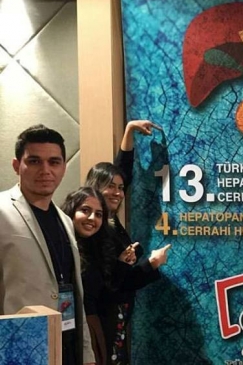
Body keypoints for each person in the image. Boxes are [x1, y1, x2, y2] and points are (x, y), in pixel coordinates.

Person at [0, 124, 95, 365]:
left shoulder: (65, 221)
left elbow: (75, 291)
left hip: (67, 344)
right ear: (16, 165)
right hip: (19, 351)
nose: (45, 170)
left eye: (54, 162)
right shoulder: (2, 211)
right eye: (34, 161)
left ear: (63, 167)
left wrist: (87, 354)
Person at [85, 120, 170, 365]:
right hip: (106, 318)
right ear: (95, 188)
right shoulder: (94, 227)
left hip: (118, 316)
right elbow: (115, 284)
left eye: (121, 188)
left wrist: (129, 131)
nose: (118, 192)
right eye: (110, 187)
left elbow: (122, 172)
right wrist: (151, 264)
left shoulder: (107, 218)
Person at [61, 187, 136, 365]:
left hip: (93, 327)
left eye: (98, 214)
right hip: (65, 329)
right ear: (71, 211)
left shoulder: (98, 248)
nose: (92, 218)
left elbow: (107, 295)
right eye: (85, 210)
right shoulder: (61, 246)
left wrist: (122, 264)